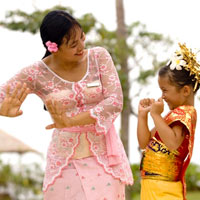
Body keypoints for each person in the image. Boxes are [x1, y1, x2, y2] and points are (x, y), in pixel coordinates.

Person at [0, 10, 133, 200]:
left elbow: (115, 101)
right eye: (73, 44)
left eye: (82, 38)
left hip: (105, 156)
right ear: (54, 47)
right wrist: (4, 110)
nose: (81, 46)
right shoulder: (36, 73)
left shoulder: (98, 57)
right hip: (64, 160)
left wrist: (70, 121)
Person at [137, 43, 200, 200]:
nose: (162, 96)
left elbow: (172, 143)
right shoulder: (171, 115)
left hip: (166, 189)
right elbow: (144, 143)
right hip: (151, 186)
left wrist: (156, 116)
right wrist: (142, 115)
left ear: (185, 90)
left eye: (165, 90)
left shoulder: (187, 113)